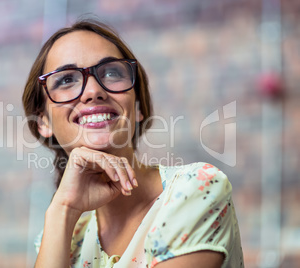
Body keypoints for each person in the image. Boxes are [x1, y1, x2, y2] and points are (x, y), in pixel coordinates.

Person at [22, 19, 243, 268]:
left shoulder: (197, 188)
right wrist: (62, 209)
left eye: (111, 72)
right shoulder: (63, 235)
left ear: (137, 106)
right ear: (43, 122)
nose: (93, 90)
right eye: (65, 80)